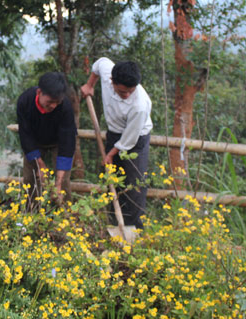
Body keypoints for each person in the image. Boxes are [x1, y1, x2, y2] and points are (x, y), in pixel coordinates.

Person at [81, 57, 152, 230]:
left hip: (135, 140)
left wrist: (111, 154)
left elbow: (130, 138)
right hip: (114, 134)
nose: (127, 94)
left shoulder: (140, 105)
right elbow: (100, 63)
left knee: (134, 185)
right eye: (122, 91)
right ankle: (113, 225)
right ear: (112, 81)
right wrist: (90, 85)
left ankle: (133, 229)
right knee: (111, 179)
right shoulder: (108, 73)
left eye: (130, 91)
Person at [17, 72, 77, 204]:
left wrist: (58, 184)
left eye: (57, 102)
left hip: (58, 143)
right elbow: (25, 135)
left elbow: (67, 143)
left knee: (63, 182)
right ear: (39, 92)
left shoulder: (65, 107)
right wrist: (39, 163)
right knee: (30, 178)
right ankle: (31, 215)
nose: (53, 106)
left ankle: (66, 217)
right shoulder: (25, 101)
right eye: (50, 102)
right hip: (34, 142)